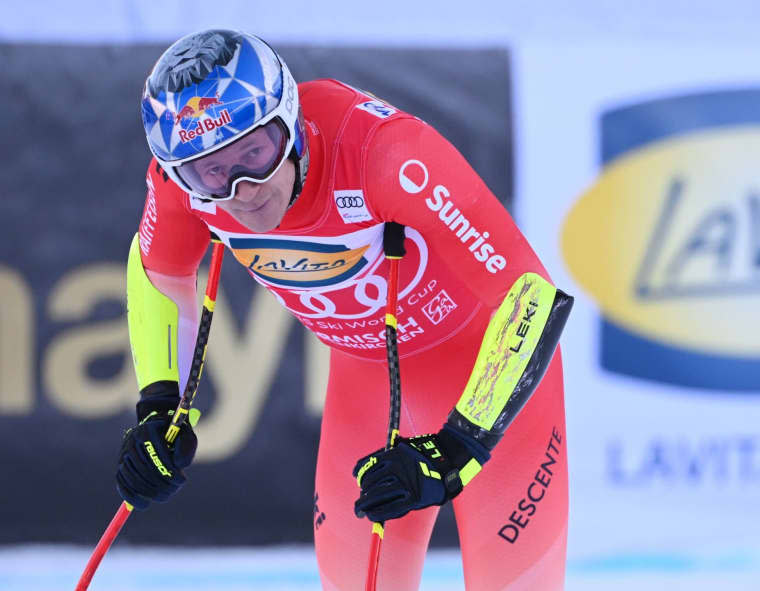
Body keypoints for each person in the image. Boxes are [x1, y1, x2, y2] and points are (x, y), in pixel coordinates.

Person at [116, 29, 572, 590]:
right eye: (213, 173)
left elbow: (532, 296)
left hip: (492, 390)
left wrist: (458, 448)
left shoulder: (386, 153)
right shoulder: (181, 184)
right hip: (369, 389)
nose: (243, 189)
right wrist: (159, 405)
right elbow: (159, 271)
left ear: (290, 123)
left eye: (255, 155)